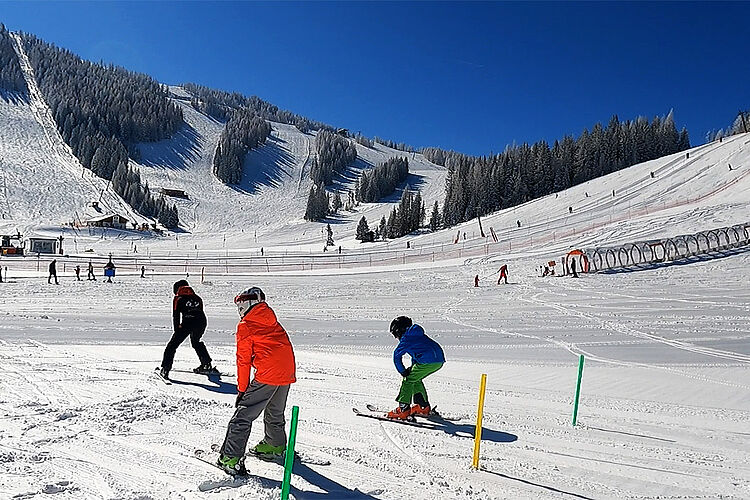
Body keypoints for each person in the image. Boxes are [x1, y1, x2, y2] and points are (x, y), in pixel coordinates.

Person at [217, 287, 296, 476]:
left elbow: (243, 360)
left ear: (248, 304)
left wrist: (242, 390)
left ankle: (230, 457)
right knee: (275, 411)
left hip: (269, 374)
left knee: (243, 416)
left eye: (240, 304)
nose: (239, 309)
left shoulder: (246, 325)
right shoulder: (272, 320)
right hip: (286, 371)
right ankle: (274, 445)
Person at [387, 316, 445, 420]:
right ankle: (422, 406)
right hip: (438, 360)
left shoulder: (406, 338)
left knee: (408, 380)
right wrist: (412, 368)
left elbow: (396, 356)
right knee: (415, 378)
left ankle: (403, 410)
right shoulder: (416, 334)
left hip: (428, 361)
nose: (396, 337)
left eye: (395, 334)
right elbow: (417, 354)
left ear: (399, 330)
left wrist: (403, 371)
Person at [159, 280, 215, 380]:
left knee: (172, 345)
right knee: (196, 342)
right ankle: (206, 364)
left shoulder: (178, 298)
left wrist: (177, 330)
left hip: (187, 322)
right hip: (201, 322)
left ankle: (165, 369)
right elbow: (200, 312)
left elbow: (176, 315)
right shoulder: (197, 297)